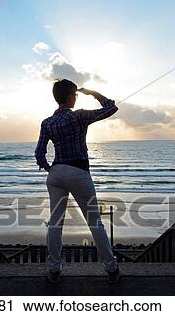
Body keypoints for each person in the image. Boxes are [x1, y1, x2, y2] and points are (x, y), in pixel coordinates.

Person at [34, 79, 120, 284]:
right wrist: (93, 92)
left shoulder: (47, 123)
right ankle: (111, 268)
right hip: (78, 171)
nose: (77, 97)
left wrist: (52, 169)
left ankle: (54, 269)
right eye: (75, 94)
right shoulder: (80, 116)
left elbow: (39, 154)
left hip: (55, 174)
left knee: (55, 223)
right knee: (94, 222)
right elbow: (111, 108)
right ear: (71, 96)